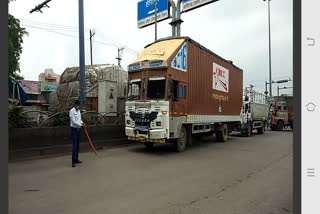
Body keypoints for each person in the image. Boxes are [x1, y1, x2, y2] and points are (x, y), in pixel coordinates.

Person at [69, 100, 85, 167]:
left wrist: (82, 123)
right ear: (74, 105)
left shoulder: (78, 111)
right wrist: (81, 125)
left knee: (78, 146)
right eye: (77, 105)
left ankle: (76, 159)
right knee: (74, 146)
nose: (78, 106)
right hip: (74, 130)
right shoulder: (71, 111)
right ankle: (73, 162)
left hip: (78, 130)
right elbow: (73, 121)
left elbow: (79, 119)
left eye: (79, 105)